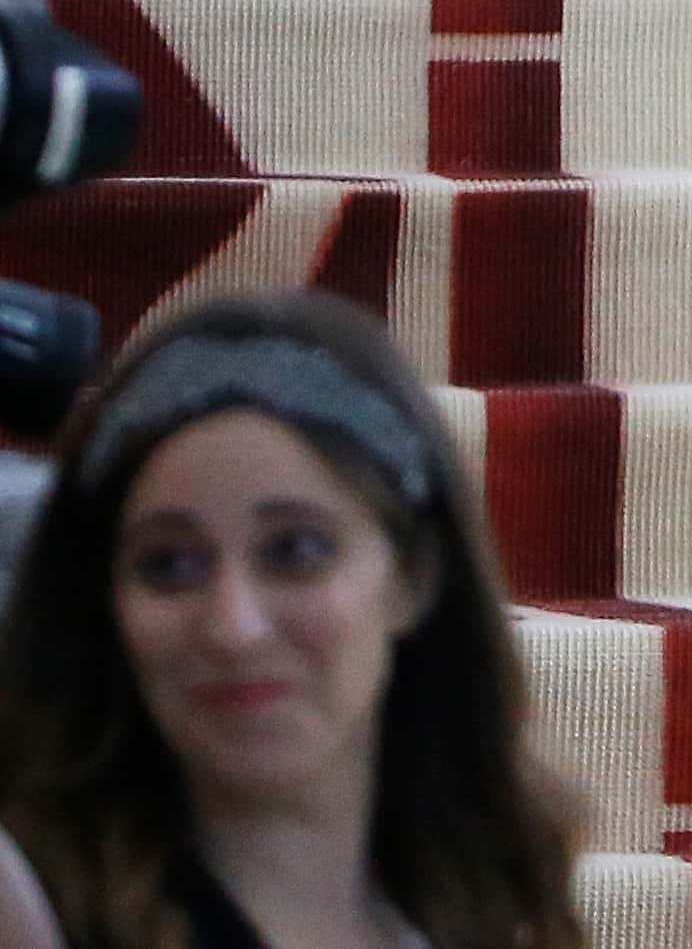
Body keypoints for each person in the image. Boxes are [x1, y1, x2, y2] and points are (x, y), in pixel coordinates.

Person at [0, 291, 584, 949]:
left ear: (414, 575)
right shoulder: (26, 909)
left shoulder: (490, 909)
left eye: (295, 551)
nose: (234, 626)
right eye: (167, 564)